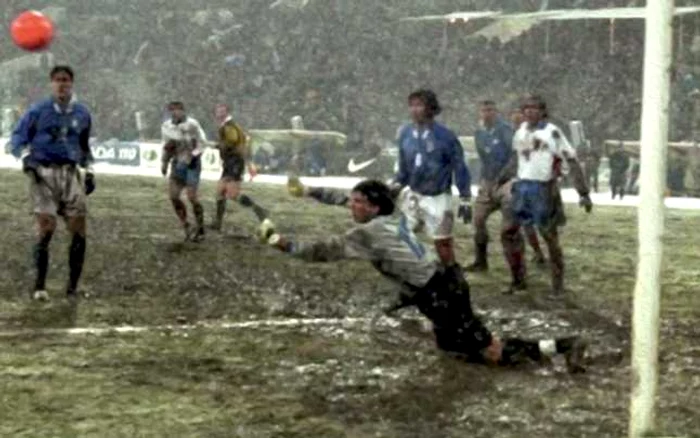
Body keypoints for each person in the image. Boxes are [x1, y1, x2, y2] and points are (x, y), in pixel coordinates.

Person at [258, 180, 587, 373]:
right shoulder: (392, 214)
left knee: (489, 351)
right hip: (444, 283)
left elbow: (321, 251)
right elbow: (342, 197)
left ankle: (563, 345)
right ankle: (533, 351)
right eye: (353, 202)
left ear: (373, 207)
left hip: (438, 292)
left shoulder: (367, 233)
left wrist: (282, 243)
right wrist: (310, 190)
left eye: (359, 203)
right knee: (453, 348)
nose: (352, 207)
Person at [11, 65, 95, 301]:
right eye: (58, 80)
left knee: (79, 231)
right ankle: (39, 286)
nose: (62, 84)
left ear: (72, 84)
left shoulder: (82, 113)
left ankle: (72, 287)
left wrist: (89, 170)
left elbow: (84, 146)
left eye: (66, 80)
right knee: (46, 229)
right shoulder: (38, 111)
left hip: (70, 174)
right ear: (51, 84)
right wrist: (25, 157)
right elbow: (17, 138)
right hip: (43, 173)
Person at [508, 96, 593, 296]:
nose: (530, 112)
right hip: (523, 187)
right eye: (527, 108)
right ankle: (518, 280)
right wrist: (505, 179)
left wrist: (583, 192)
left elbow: (571, 160)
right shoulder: (520, 131)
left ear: (542, 111)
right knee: (510, 231)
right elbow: (516, 158)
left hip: (543, 188)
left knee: (549, 236)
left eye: (535, 108)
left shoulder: (552, 132)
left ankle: (558, 284)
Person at [392, 89, 472, 267]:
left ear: (431, 108)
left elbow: (459, 166)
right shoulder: (405, 133)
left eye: (419, 105)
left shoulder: (445, 136)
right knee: (401, 235)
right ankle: (420, 271)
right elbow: (404, 167)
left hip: (437, 197)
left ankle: (453, 279)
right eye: (411, 105)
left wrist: (465, 197)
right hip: (413, 194)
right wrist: (395, 184)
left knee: (442, 243)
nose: (414, 109)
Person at [467, 101, 546, 275]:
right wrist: (483, 180)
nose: (487, 113)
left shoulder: (506, 131)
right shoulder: (479, 133)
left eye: (490, 110)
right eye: (483, 110)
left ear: (496, 112)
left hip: (508, 182)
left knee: (510, 230)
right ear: (479, 113)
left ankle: (519, 274)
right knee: (478, 220)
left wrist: (506, 175)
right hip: (488, 182)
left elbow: (516, 155)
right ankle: (481, 261)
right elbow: (483, 157)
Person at [210, 103, 268, 230]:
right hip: (232, 162)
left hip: (234, 162)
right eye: (218, 110)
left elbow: (232, 142)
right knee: (220, 191)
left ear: (226, 112)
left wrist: (219, 145)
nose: (219, 113)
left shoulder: (228, 126)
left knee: (231, 194)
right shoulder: (229, 125)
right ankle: (218, 223)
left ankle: (259, 210)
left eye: (222, 110)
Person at [161, 101, 207, 241]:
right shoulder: (166, 126)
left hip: (192, 163)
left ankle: (200, 227)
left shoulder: (193, 124)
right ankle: (186, 224)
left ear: (183, 111)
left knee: (192, 197)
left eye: (177, 110)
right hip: (177, 164)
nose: (175, 113)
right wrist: (164, 161)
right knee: (173, 196)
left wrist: (195, 154)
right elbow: (167, 145)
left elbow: (202, 142)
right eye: (172, 111)